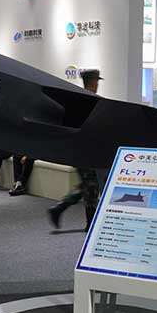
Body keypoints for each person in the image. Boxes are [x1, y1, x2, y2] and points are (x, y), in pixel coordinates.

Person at [48, 69, 103, 231]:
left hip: (79, 150)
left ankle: (59, 208)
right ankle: (90, 222)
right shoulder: (91, 102)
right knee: (91, 186)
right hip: (86, 151)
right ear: (93, 82)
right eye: (96, 81)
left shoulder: (76, 101)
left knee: (88, 184)